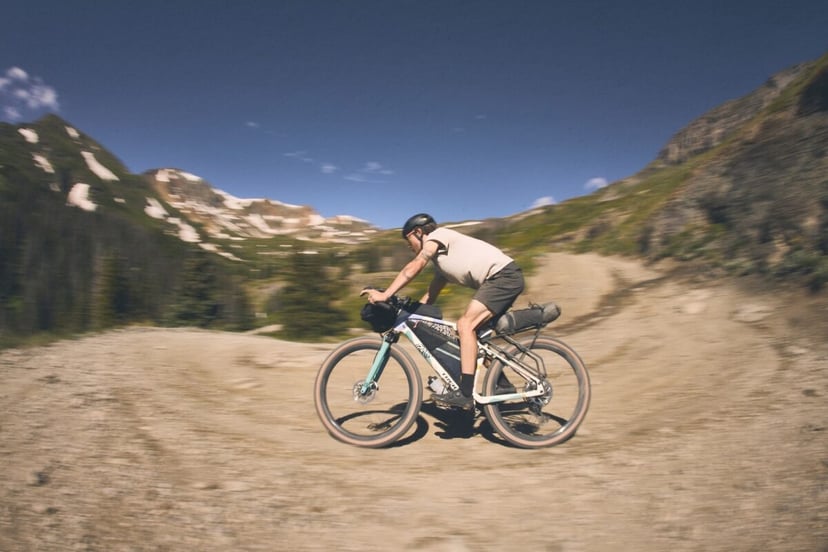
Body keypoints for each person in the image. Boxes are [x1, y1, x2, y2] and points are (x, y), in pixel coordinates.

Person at [362, 213, 525, 409]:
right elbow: (429, 299)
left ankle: (465, 394)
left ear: (419, 232)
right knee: (471, 337)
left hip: (503, 277)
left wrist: (385, 295)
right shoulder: (442, 265)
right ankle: (503, 386)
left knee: (465, 325)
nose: (409, 246)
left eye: (409, 240)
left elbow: (416, 265)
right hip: (503, 278)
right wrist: (408, 317)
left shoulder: (437, 236)